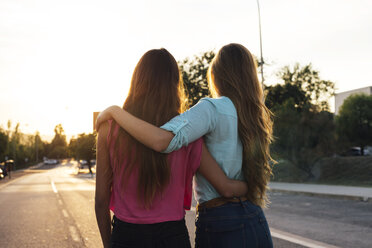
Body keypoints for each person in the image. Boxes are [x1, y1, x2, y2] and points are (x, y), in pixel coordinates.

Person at [96, 43, 275, 248]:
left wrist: (113, 111)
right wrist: (252, 186)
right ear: (175, 84)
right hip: (174, 236)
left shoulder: (109, 130)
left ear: (137, 80)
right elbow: (225, 185)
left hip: (126, 235)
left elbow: (101, 201)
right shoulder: (192, 137)